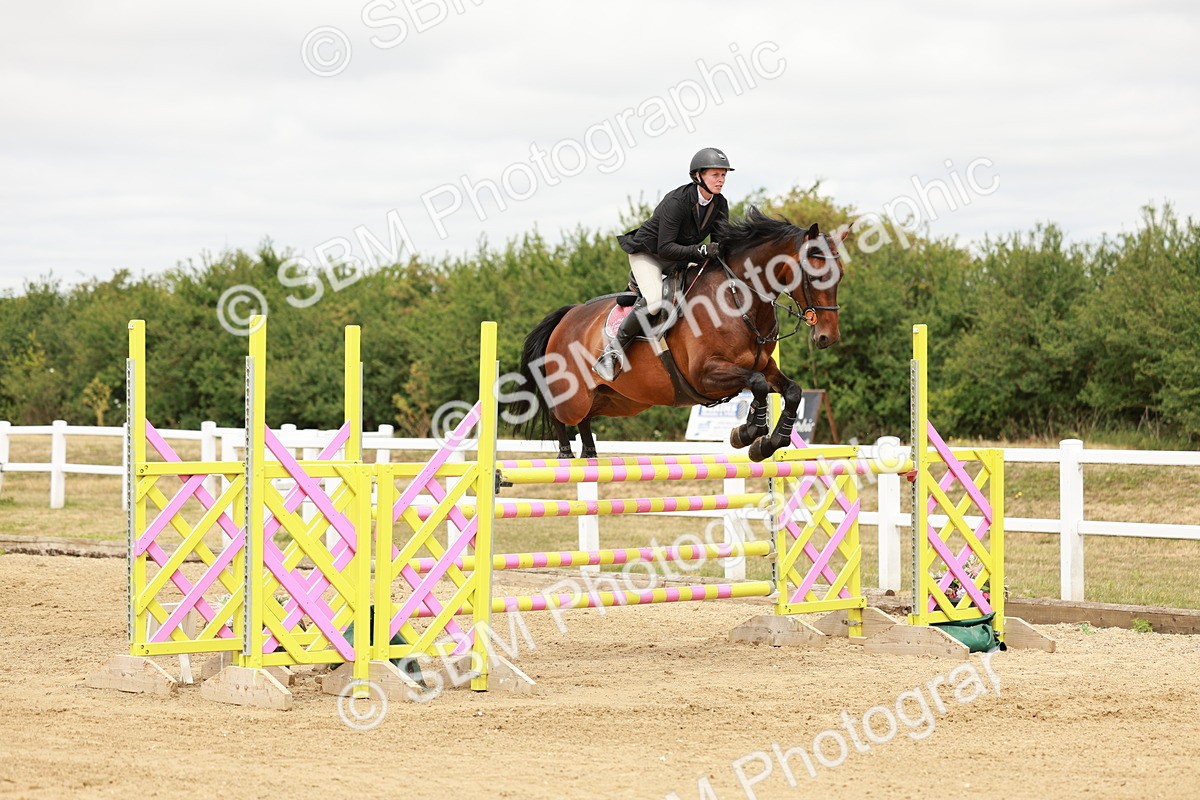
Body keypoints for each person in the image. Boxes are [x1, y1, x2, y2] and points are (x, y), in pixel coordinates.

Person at [593, 147, 734, 381]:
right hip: (649, 255)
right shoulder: (676, 201)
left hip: (680, 258)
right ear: (698, 176)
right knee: (656, 302)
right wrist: (700, 250)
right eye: (715, 175)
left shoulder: (720, 204)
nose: (720, 181)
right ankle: (611, 353)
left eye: (723, 176)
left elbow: (718, 246)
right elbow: (665, 247)